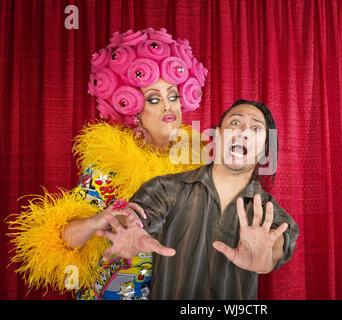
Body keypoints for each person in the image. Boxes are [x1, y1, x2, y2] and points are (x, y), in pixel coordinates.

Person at [7, 27, 208, 300]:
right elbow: (64, 239)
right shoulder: (111, 165)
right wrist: (98, 221)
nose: (168, 107)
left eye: (173, 96)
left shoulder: (199, 167)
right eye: (154, 98)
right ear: (135, 109)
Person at [97, 100, 300, 299]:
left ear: (264, 150)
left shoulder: (268, 212)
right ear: (217, 136)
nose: (243, 131)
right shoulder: (166, 188)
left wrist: (268, 254)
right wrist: (130, 225)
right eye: (235, 123)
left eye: (255, 128)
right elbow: (138, 216)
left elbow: (279, 240)